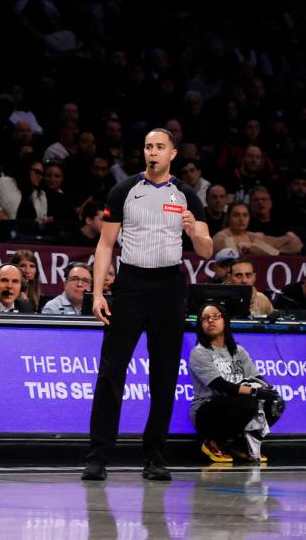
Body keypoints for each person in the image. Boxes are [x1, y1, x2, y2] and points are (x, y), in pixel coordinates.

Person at [83, 128, 213, 482]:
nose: (152, 152)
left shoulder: (186, 195)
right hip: (130, 285)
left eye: (159, 147)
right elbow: (105, 246)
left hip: (169, 287)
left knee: (164, 375)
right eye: (147, 147)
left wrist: (195, 232)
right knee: (111, 372)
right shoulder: (125, 189)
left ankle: (155, 456)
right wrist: (98, 294)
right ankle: (98, 455)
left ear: (172, 153)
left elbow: (206, 250)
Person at [189, 302, 283, 464]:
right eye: (205, 319)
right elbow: (221, 386)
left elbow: (256, 377)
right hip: (207, 409)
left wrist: (268, 390)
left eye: (215, 316)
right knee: (247, 403)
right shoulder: (200, 352)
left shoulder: (239, 351)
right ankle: (213, 441)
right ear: (200, 325)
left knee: (275, 403)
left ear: (225, 320)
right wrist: (254, 392)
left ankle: (240, 445)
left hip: (237, 402)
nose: (210, 321)